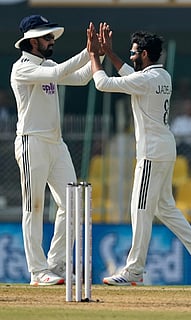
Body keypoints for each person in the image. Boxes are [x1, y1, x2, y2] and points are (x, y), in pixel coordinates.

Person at [87, 23, 191, 286]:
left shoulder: (146, 80)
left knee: (140, 210)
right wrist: (112, 54)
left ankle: (134, 270)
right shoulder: (162, 77)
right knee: (165, 208)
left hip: (151, 153)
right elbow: (129, 75)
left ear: (145, 55)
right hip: (164, 148)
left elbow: (102, 83)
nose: (132, 56)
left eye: (134, 52)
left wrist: (95, 55)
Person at [10, 15, 98, 286]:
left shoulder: (47, 64)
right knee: (33, 207)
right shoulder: (21, 67)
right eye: (47, 37)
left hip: (56, 144)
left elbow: (82, 78)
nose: (51, 41)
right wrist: (88, 50)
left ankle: (55, 263)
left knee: (74, 204)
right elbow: (59, 74)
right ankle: (37, 271)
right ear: (32, 41)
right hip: (31, 141)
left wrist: (99, 55)